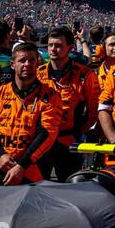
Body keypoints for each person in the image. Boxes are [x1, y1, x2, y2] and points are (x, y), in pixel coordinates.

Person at [0, 43, 62, 186]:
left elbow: (47, 133)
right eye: (22, 60)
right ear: (12, 64)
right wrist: (0, 156)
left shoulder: (50, 95)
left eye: (32, 60)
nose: (27, 64)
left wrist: (22, 165)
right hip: (1, 164)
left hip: (31, 167)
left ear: (38, 63)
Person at [37, 26, 100, 180]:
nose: (53, 49)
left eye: (58, 46)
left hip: (68, 142)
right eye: (50, 45)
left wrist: (77, 132)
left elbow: (93, 110)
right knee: (37, 188)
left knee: (70, 187)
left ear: (70, 48)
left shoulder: (85, 74)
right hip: (40, 142)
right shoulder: (38, 73)